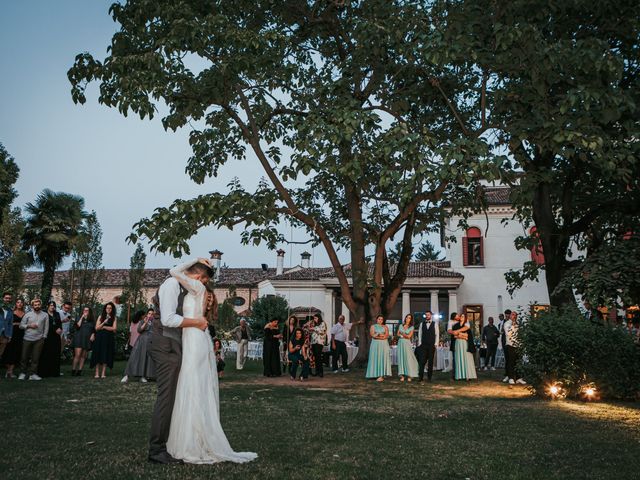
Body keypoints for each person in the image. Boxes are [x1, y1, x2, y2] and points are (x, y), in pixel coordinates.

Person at [165, 258, 257, 464]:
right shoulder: (198, 291)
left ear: (199, 276)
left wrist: (195, 260)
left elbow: (173, 270)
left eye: (193, 273)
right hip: (195, 337)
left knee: (193, 386)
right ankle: (192, 437)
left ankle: (194, 440)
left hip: (195, 339)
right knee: (192, 386)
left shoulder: (197, 286)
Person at [148, 259, 211, 465]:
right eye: (202, 279)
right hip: (164, 342)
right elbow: (168, 319)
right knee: (166, 397)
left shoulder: (183, 288)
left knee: (174, 396)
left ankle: (171, 443)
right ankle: (156, 450)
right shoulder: (171, 285)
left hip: (174, 344)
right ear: (197, 275)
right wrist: (197, 322)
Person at [122, 309, 156, 383]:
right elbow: (139, 330)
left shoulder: (155, 323)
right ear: (147, 314)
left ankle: (143, 376)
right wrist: (145, 323)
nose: (151, 315)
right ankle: (126, 375)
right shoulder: (142, 321)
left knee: (146, 359)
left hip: (150, 342)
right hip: (141, 341)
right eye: (149, 313)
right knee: (135, 358)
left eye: (152, 314)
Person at [19, 298, 48, 381]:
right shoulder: (28, 314)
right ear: (32, 306)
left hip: (39, 339)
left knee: (35, 358)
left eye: (38, 304)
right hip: (27, 338)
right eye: (35, 305)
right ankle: (22, 373)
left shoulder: (45, 315)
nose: (37, 306)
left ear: (40, 305)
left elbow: (46, 327)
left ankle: (33, 374)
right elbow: (21, 325)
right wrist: (29, 325)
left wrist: (44, 337)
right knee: (24, 357)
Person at [91, 302, 117, 379]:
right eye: (107, 308)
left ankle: (103, 373)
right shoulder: (100, 317)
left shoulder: (114, 318)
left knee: (106, 353)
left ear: (112, 309)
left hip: (108, 338)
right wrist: (104, 323)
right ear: (105, 309)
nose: (108, 309)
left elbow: (114, 329)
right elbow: (96, 328)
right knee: (98, 353)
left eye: (110, 308)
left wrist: (104, 327)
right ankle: (96, 373)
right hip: (100, 338)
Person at [37, 301, 62, 378]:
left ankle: (54, 372)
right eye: (51, 305)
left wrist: (60, 329)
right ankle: (44, 372)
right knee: (46, 353)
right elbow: (44, 324)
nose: (52, 307)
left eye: (54, 305)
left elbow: (59, 323)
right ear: (48, 306)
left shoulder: (57, 314)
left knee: (55, 353)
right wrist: (55, 329)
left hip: (56, 337)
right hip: (47, 336)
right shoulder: (44, 314)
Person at [2, 297, 25, 378]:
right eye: (18, 302)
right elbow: (7, 323)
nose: (19, 304)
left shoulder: (25, 313)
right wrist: (14, 324)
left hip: (21, 335)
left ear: (23, 304)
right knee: (9, 352)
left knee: (17, 353)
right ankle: (9, 371)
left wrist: (20, 325)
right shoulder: (11, 312)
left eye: (21, 302)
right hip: (12, 334)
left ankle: (10, 371)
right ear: (16, 304)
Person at [365, 315, 391, 382]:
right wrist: (381, 335)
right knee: (375, 358)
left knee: (383, 358)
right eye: (379, 319)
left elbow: (387, 336)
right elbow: (373, 335)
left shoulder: (385, 327)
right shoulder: (373, 326)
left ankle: (381, 375)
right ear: (377, 319)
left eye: (382, 319)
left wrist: (378, 334)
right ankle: (374, 374)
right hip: (375, 344)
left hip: (384, 344)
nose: (380, 320)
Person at [415, 311, 439, 382]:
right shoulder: (422, 324)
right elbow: (419, 333)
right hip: (423, 345)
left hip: (431, 345)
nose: (427, 316)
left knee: (430, 362)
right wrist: (419, 343)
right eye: (426, 315)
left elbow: (437, 334)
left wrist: (436, 343)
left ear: (431, 315)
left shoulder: (435, 324)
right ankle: (420, 377)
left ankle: (429, 377)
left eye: (428, 314)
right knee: (422, 361)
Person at [71, 306, 95, 376]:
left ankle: (79, 370)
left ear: (89, 312)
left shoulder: (92, 320)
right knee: (77, 355)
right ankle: (73, 370)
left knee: (83, 356)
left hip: (87, 339)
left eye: (87, 310)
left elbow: (94, 329)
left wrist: (93, 334)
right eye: (84, 310)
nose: (85, 311)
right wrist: (82, 317)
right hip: (78, 338)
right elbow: (77, 326)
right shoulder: (78, 317)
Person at [504, 311, 526, 385]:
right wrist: (513, 325)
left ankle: (519, 378)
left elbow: (521, 333)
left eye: (515, 315)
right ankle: (511, 378)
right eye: (513, 315)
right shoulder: (507, 324)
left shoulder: (518, 324)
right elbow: (508, 333)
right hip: (510, 345)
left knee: (518, 362)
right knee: (511, 362)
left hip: (519, 345)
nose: (514, 316)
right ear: (510, 316)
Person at [452, 314, 477, 381]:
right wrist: (463, 335)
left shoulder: (467, 325)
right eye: (461, 316)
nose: (461, 317)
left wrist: (460, 334)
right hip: (458, 343)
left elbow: (467, 336)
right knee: (458, 358)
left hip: (465, 344)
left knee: (466, 358)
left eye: (463, 316)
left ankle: (467, 376)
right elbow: (454, 335)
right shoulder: (455, 326)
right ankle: (459, 375)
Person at [397, 314, 419, 382]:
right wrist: (403, 335)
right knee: (401, 358)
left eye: (409, 318)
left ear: (411, 319)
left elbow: (409, 336)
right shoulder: (401, 325)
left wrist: (402, 334)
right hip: (400, 343)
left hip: (407, 343)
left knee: (408, 358)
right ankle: (402, 375)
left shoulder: (411, 327)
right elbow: (397, 334)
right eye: (407, 317)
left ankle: (410, 374)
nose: (407, 319)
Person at [0, 292, 14, 363]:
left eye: (9, 298)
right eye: (6, 298)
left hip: (5, 335)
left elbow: (10, 324)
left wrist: (10, 336)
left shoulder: (10, 311)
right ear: (3, 298)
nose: (8, 299)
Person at [446, 312, 459, 378]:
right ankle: (455, 374)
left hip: (462, 339)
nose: (458, 316)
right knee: (454, 357)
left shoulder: (461, 321)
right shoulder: (450, 322)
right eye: (457, 316)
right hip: (454, 339)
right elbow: (449, 330)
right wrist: (456, 333)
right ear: (454, 316)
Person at [499, 310, 511, 382]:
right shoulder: (502, 322)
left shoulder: (512, 321)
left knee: (511, 358)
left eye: (508, 315)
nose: (507, 316)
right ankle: (507, 375)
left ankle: (512, 375)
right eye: (506, 315)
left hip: (511, 341)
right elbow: (500, 332)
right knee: (507, 358)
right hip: (504, 341)